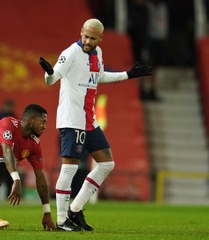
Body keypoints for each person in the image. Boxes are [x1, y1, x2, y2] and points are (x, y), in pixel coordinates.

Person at [39, 18, 152, 231]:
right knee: (69, 169)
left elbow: (98, 77)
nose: (87, 41)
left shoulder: (97, 54)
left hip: (89, 120)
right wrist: (49, 72)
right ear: (81, 31)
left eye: (92, 38)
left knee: (107, 164)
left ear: (100, 38)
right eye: (85, 36)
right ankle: (62, 220)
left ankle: (76, 209)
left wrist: (127, 74)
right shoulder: (71, 53)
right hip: (72, 119)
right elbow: (51, 80)